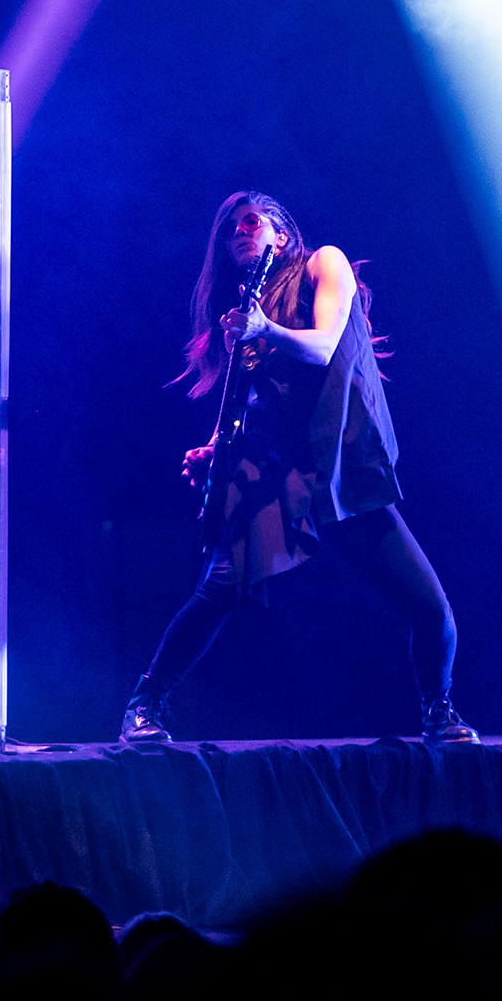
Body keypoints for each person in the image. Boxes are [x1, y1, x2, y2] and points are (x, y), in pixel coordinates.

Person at [118, 190, 468, 746]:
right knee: (219, 588)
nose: (238, 232)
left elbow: (325, 345)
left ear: (279, 234)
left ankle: (439, 711)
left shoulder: (322, 264)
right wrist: (214, 449)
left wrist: (264, 330)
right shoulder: (248, 315)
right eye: (228, 229)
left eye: (250, 221)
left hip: (339, 464)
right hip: (280, 471)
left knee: (430, 608)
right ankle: (145, 705)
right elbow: (251, 401)